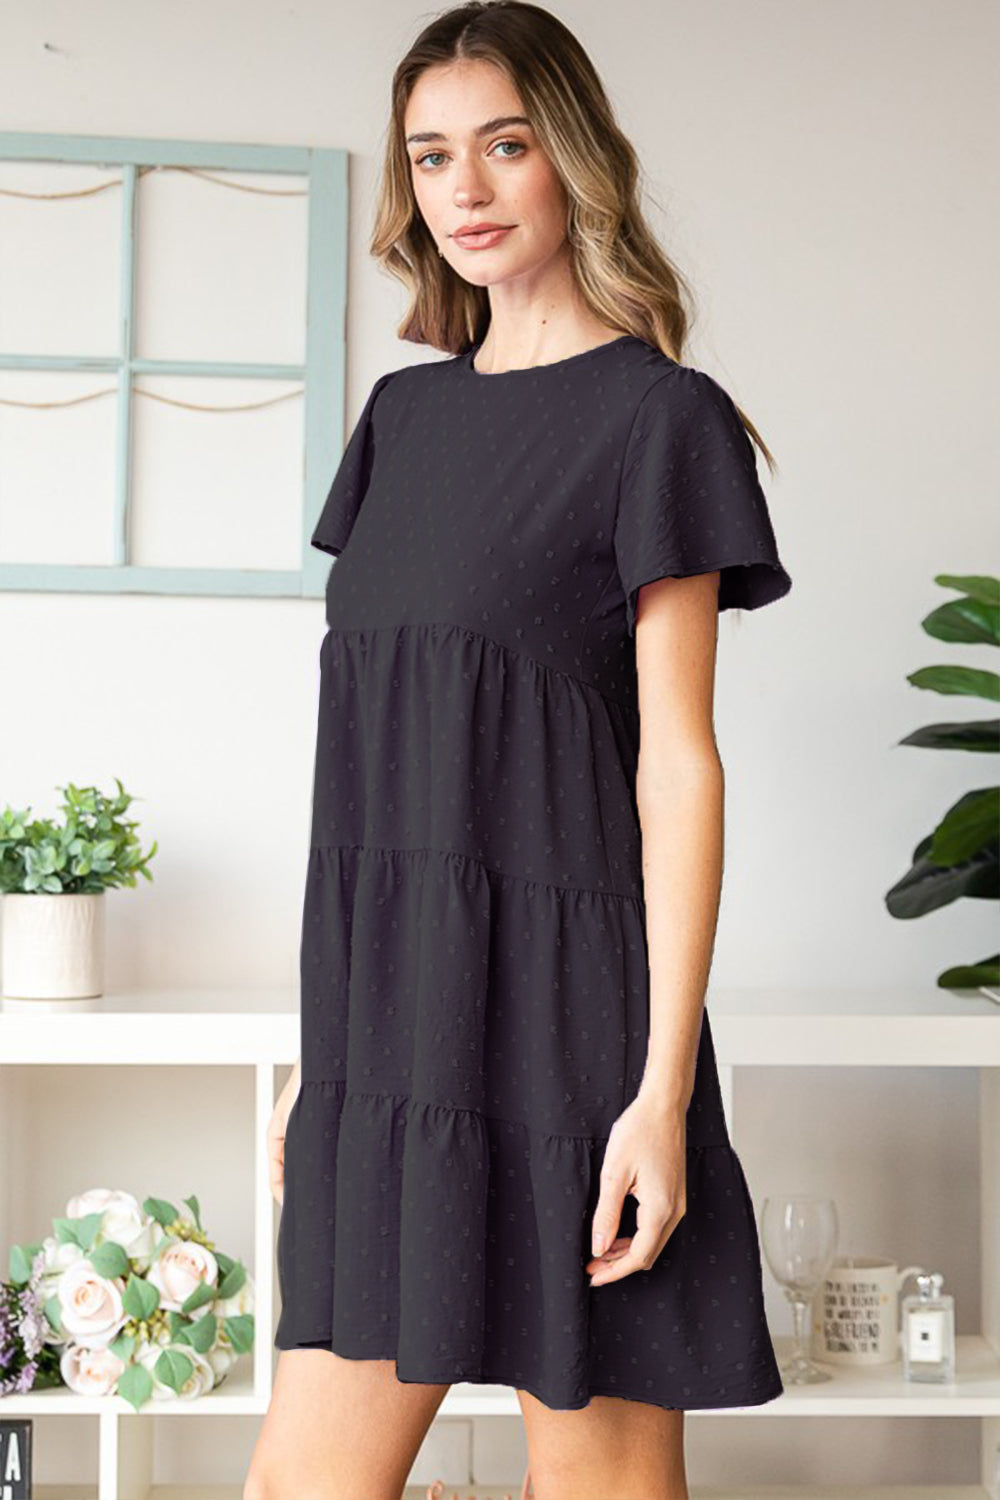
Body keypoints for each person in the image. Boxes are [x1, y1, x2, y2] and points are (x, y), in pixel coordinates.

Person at [245, 3, 793, 1497]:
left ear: (577, 159)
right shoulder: (400, 423)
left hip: (576, 1043)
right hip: (387, 1038)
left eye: (505, 143)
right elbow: (386, 767)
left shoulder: (657, 420)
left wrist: (659, 1097)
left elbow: (677, 768)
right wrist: (329, 1044)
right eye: (431, 156)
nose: (467, 188)